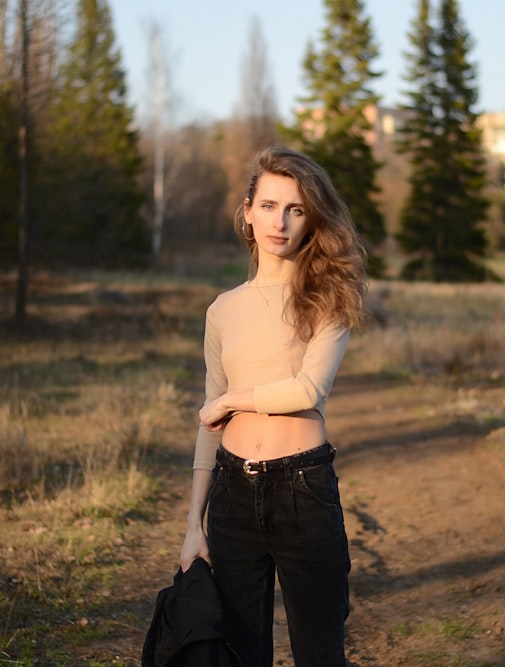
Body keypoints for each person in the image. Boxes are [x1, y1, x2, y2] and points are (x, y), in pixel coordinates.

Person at [179, 144, 368, 666]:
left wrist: (234, 400)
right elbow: (208, 422)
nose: (279, 222)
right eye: (268, 206)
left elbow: (309, 390)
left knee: (319, 652)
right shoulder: (222, 310)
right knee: (240, 655)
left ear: (312, 220)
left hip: (302, 494)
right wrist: (195, 523)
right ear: (247, 212)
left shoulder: (330, 297)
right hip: (232, 495)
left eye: (296, 209)